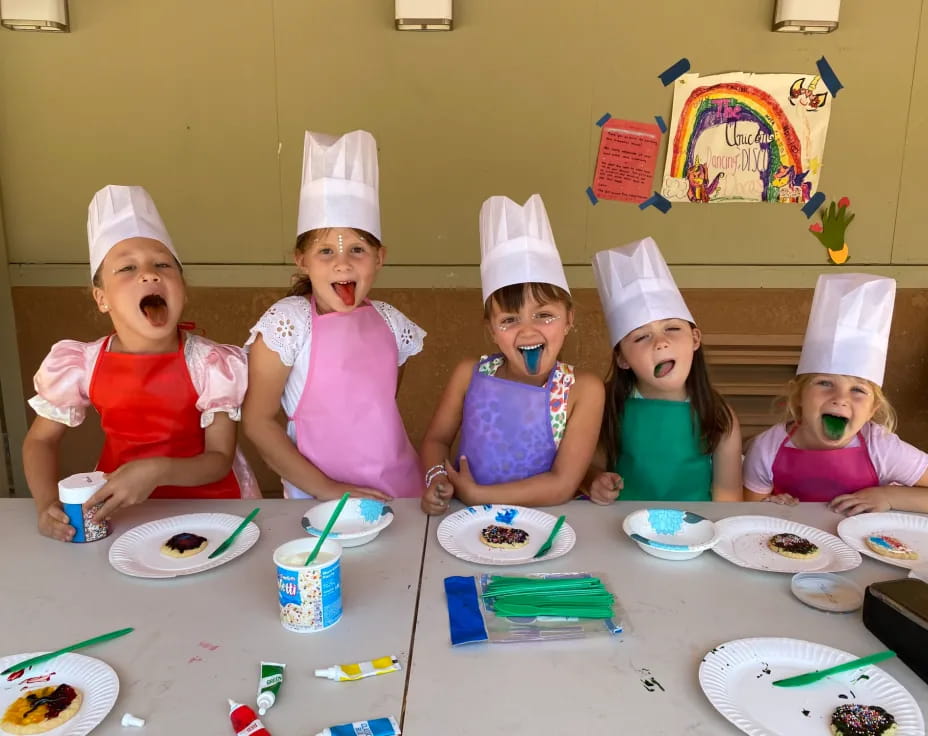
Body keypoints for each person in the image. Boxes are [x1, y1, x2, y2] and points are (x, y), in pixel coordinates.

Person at [24, 185, 257, 542]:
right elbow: (39, 441)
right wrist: (45, 505)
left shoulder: (212, 363)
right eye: (128, 267)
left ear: (184, 288)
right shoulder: (80, 364)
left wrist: (157, 470)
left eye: (162, 264)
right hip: (123, 511)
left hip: (213, 509)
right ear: (102, 298)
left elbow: (219, 459)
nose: (149, 274)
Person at [243, 130, 425, 499]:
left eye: (357, 249)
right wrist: (330, 490)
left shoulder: (392, 323)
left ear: (380, 258)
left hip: (400, 489)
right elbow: (258, 423)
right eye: (326, 251)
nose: (342, 263)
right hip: (319, 500)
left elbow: (379, 402)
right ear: (302, 260)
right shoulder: (288, 324)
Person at [420, 194, 604, 513]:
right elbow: (436, 440)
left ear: (569, 320)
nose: (528, 331)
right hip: (466, 524)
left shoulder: (583, 390)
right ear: (491, 330)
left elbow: (562, 485)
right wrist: (437, 478)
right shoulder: (469, 374)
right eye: (509, 320)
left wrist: (479, 494)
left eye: (544, 315)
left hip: (548, 526)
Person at [744, 273, 928, 514]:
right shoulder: (765, 449)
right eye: (824, 383)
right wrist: (770, 506)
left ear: (873, 409)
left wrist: (888, 496)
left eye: (858, 390)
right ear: (799, 396)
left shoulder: (882, 449)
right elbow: (747, 510)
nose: (840, 398)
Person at [587, 237, 742, 504]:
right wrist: (596, 481)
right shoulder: (609, 406)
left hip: (698, 532)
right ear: (623, 358)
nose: (661, 343)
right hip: (622, 529)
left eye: (672, 328)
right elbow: (592, 469)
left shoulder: (719, 415)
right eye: (641, 337)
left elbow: (728, 495)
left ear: (695, 339)